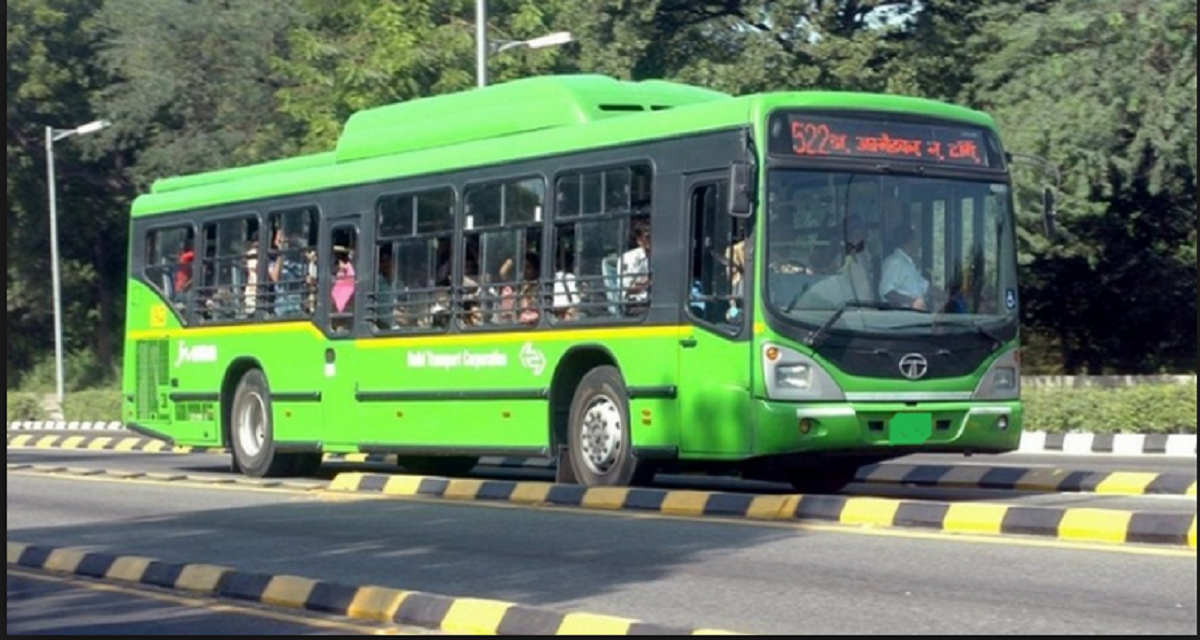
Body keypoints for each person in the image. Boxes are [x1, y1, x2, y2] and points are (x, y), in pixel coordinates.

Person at [879, 224, 943, 310]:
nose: (919, 245)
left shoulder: (908, 265)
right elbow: (887, 292)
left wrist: (950, 297)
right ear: (909, 241)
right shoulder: (894, 263)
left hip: (915, 316)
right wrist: (911, 301)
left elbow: (925, 287)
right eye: (916, 240)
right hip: (901, 318)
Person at [620, 218, 651, 308]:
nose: (651, 240)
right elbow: (627, 289)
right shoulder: (628, 259)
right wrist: (648, 283)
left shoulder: (659, 256)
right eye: (647, 237)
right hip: (635, 304)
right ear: (639, 240)